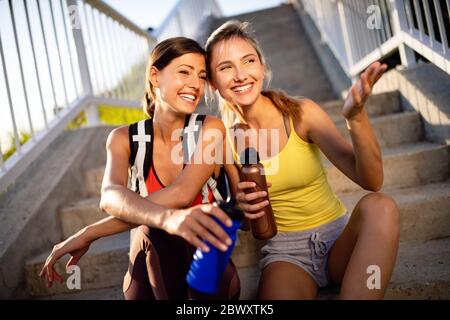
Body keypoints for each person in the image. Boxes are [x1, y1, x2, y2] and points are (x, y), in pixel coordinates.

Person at [204, 20, 400, 300]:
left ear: (261, 66)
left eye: (248, 61)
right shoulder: (224, 141)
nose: (240, 74)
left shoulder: (301, 113)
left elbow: (372, 180)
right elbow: (249, 225)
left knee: (382, 206)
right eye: (225, 67)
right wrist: (240, 206)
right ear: (212, 82)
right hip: (285, 256)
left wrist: (355, 117)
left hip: (338, 242)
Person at [39, 37, 241, 300]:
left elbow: (181, 194)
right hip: (150, 267)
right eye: (184, 72)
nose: (195, 84)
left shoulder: (210, 128)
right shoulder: (124, 139)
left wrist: (90, 232)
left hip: (206, 268)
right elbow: (109, 196)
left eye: (201, 76)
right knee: (153, 227)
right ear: (155, 76)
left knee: (165, 220)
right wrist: (162, 219)